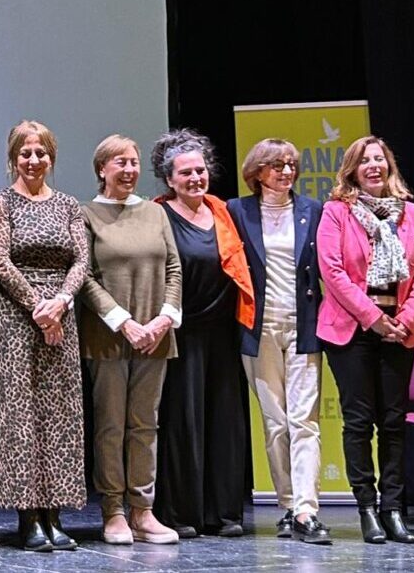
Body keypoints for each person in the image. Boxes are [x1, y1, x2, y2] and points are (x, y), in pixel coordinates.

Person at [316, 135, 414, 545]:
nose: (373, 166)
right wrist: (374, 319)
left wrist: (405, 318)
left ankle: (394, 510)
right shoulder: (336, 212)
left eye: (379, 159)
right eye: (364, 161)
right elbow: (332, 272)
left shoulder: (412, 214)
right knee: (359, 421)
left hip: (400, 328)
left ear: (390, 166)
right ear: (352, 170)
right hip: (351, 330)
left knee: (394, 423)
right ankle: (366, 507)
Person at [0, 120, 88, 552]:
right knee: (22, 416)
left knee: (61, 414)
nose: (33, 160)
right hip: (17, 317)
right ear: (13, 158)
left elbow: (82, 260)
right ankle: (29, 518)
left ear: (51, 157)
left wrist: (61, 301)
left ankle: (55, 515)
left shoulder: (68, 205)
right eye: (25, 153)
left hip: (62, 316)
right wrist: (39, 307)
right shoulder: (0, 203)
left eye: (41, 153)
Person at [151, 128, 254, 539]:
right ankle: (182, 514)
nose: (196, 178)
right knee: (183, 423)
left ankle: (224, 513)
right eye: (186, 173)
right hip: (182, 331)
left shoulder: (223, 211)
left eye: (200, 170)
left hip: (224, 331)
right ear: (169, 179)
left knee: (225, 423)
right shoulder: (158, 213)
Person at [79, 135, 182, 546]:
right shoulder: (87, 214)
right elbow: (83, 276)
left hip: (155, 336)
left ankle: (143, 510)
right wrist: (123, 322)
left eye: (134, 162)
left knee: (145, 425)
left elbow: (174, 267)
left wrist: (162, 320)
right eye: (120, 162)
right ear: (102, 168)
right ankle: (114, 512)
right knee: (110, 425)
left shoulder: (156, 215)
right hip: (108, 337)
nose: (129, 169)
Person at [227, 139, 329, 544]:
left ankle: (306, 509)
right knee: (275, 424)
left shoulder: (312, 211)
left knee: (304, 420)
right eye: (275, 165)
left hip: (304, 323)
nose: (285, 172)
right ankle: (287, 504)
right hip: (258, 326)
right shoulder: (238, 211)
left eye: (290, 164)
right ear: (257, 172)